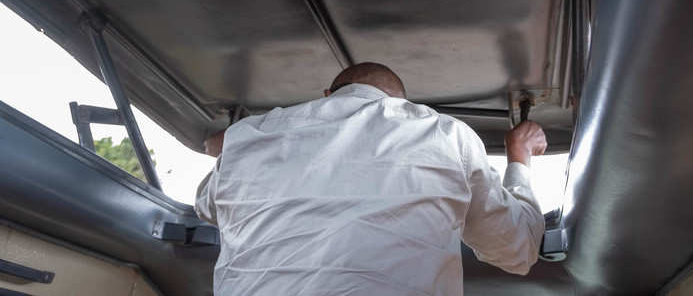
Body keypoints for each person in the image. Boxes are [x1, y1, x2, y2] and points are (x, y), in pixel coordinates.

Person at [196, 62, 547, 295]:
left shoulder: (250, 137)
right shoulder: (442, 133)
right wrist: (519, 156)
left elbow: (207, 208)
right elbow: (517, 249)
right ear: (401, 104)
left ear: (328, 97)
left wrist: (230, 150)